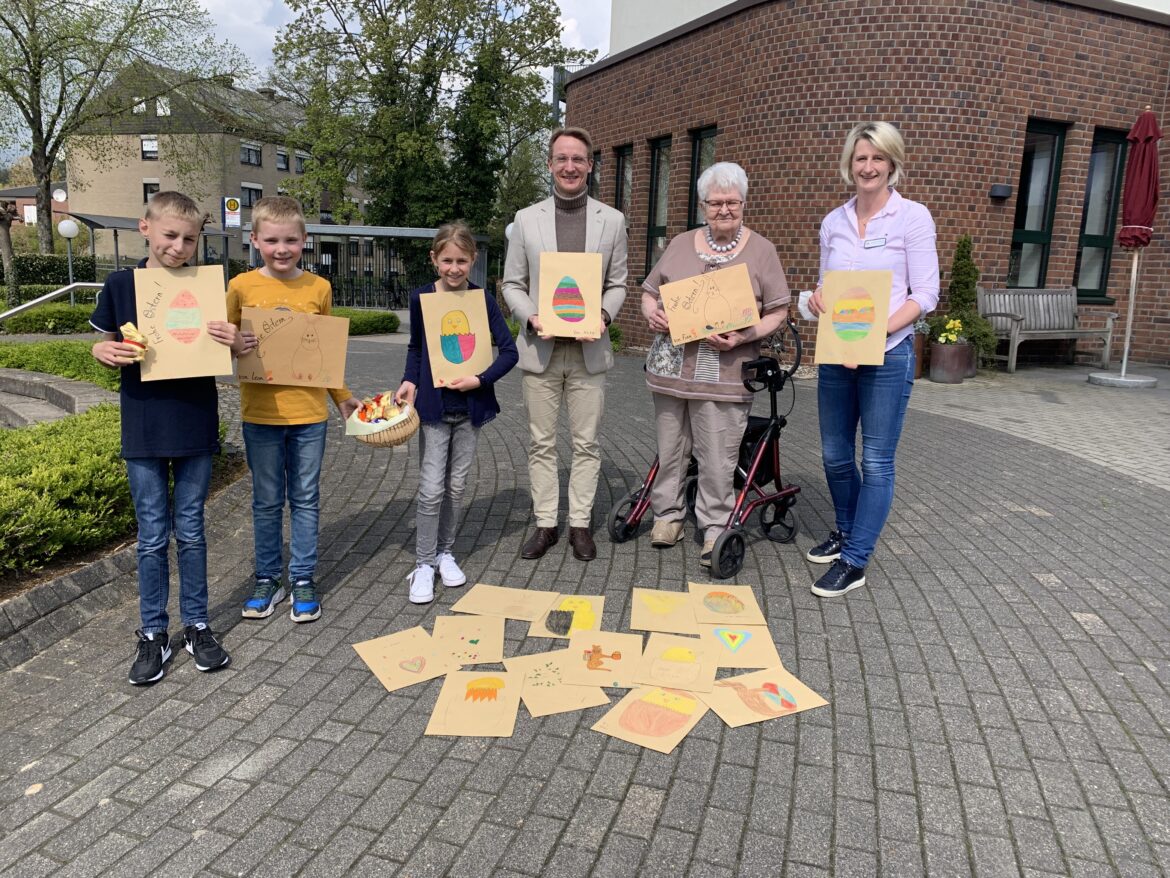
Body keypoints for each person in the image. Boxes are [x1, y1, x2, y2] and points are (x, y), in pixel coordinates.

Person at [89, 191, 236, 684]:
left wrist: (233, 340)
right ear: (145, 227)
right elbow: (104, 344)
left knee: (191, 529)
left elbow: (230, 349)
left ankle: (197, 625)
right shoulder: (120, 284)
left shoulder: (208, 287)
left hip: (194, 420)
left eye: (189, 239)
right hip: (144, 424)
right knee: (151, 535)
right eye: (170, 235)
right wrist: (100, 351)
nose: (179, 246)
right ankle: (153, 631)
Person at [806, 121, 939, 597]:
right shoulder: (833, 222)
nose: (868, 167)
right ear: (850, 164)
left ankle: (856, 559)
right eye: (861, 158)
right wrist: (817, 299)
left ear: (892, 163)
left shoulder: (912, 218)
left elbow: (926, 293)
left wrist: (876, 331)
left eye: (877, 158)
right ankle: (845, 531)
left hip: (887, 354)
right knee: (835, 454)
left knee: (877, 460)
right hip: (838, 353)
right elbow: (826, 286)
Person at [641, 162, 790, 566]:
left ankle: (713, 526)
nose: (724, 209)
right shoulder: (680, 244)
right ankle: (668, 515)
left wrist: (745, 336)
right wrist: (653, 313)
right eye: (715, 202)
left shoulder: (761, 250)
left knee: (718, 457)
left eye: (732, 202)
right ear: (702, 205)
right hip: (672, 371)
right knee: (671, 449)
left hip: (725, 372)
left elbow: (778, 310)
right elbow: (650, 292)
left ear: (744, 204)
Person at [227, 196, 360, 622]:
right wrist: (234, 344)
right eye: (271, 241)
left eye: (290, 240)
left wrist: (342, 397)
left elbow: (325, 353)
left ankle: (302, 577)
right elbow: (221, 342)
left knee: (305, 499)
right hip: (260, 414)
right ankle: (268, 578)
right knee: (266, 502)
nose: (281, 249)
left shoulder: (318, 288)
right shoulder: (240, 287)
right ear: (254, 240)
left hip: (309, 416)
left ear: (305, 240)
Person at [502, 127, 628, 562]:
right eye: (562, 159)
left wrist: (604, 316)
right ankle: (545, 524)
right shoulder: (526, 219)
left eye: (578, 159)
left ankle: (579, 524)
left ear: (590, 165)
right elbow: (512, 283)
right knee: (541, 443)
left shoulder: (612, 220)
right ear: (550, 164)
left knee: (586, 443)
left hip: (588, 351)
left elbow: (618, 283)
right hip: (542, 348)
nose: (570, 167)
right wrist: (530, 316)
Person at [394, 223, 519, 604]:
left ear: (473, 260)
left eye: (461, 261)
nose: (454, 268)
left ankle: (445, 553)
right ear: (434, 259)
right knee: (431, 489)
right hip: (434, 410)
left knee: (456, 486)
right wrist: (408, 380)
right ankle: (423, 563)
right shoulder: (422, 298)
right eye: (447, 260)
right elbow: (417, 348)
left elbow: (510, 351)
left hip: (469, 409)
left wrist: (480, 380)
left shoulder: (483, 301)